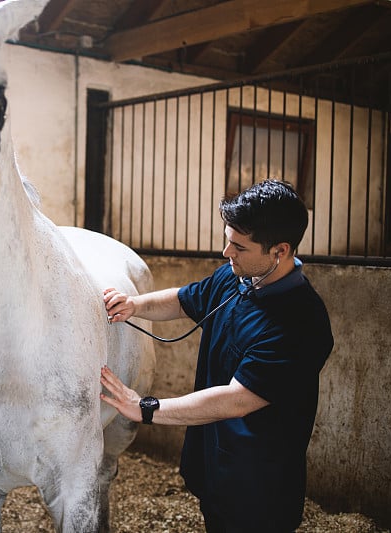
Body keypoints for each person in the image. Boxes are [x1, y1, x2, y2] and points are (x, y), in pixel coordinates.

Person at [100, 179, 334, 533]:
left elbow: (237, 399)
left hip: (259, 488)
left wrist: (147, 408)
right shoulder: (237, 278)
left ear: (280, 251)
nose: (227, 253)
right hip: (215, 465)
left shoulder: (301, 323)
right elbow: (183, 299)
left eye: (239, 246)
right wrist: (134, 305)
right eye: (228, 240)